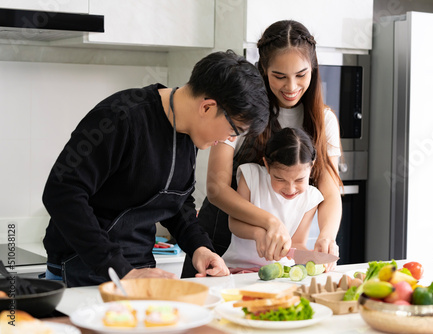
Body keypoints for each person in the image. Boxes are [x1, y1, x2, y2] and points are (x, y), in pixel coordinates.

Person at [42, 50, 270, 287]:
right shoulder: (120, 117)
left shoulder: (189, 133)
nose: (228, 139)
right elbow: (62, 191)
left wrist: (199, 247)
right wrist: (119, 269)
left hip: (138, 270)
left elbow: (177, 201)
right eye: (234, 131)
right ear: (207, 108)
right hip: (84, 269)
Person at [181, 20, 342, 277]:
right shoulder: (241, 109)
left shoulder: (324, 120)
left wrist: (327, 235)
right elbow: (216, 188)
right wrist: (269, 223)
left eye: (301, 75)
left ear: (313, 68)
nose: (291, 87)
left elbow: (331, 191)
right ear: (264, 69)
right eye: (279, 76)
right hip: (218, 242)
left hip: (276, 258)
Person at [222, 128, 324, 269]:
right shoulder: (251, 176)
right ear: (267, 165)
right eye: (279, 179)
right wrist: (258, 234)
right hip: (237, 267)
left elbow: (297, 243)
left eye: (300, 180)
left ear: (311, 166)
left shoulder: (311, 197)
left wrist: (314, 257)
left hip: (279, 272)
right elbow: (234, 222)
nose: (290, 189)